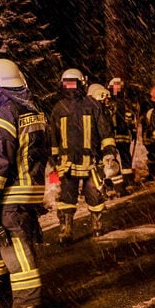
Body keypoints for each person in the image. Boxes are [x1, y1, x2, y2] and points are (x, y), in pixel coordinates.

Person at [0, 59, 49, 308]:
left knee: (14, 247)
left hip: (12, 191)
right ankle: (28, 300)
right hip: (30, 188)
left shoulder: (6, 112)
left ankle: (27, 306)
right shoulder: (34, 109)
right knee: (24, 244)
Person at [48, 68, 117, 243]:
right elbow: (53, 137)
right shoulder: (85, 105)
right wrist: (53, 158)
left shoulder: (64, 106)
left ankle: (72, 229)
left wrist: (109, 152)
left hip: (83, 161)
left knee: (82, 195)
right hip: (73, 162)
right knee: (74, 197)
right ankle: (85, 227)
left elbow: (104, 132)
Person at [107, 78, 138, 194]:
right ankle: (111, 183)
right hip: (112, 135)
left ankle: (128, 179)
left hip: (124, 134)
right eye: (115, 86)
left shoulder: (125, 103)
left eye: (119, 86)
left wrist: (133, 130)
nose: (117, 88)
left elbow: (130, 118)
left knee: (126, 157)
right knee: (111, 160)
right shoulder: (108, 102)